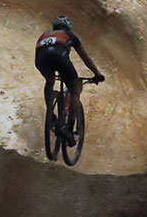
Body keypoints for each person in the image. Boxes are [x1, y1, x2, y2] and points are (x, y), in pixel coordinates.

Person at [34, 16, 105, 145]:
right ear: (68, 28)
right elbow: (85, 58)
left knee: (49, 81)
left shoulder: (44, 35)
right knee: (75, 88)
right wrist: (97, 74)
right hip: (59, 58)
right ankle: (68, 129)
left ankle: (51, 115)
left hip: (40, 59)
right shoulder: (69, 35)